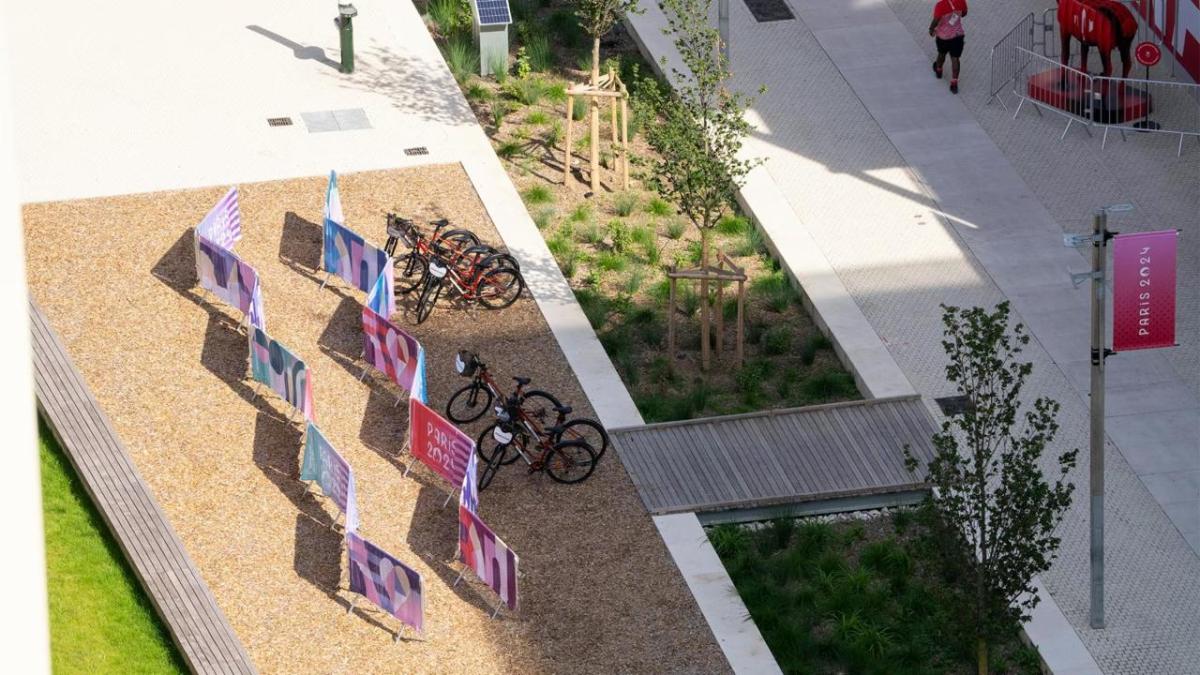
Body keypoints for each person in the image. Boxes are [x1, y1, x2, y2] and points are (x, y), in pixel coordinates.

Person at [929, 0, 967, 94]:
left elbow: (936, 20)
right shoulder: (961, 1)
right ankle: (954, 83)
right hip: (957, 35)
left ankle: (938, 70)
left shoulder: (940, 5)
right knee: (955, 59)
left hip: (943, 36)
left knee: (941, 54)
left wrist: (931, 29)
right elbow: (964, 14)